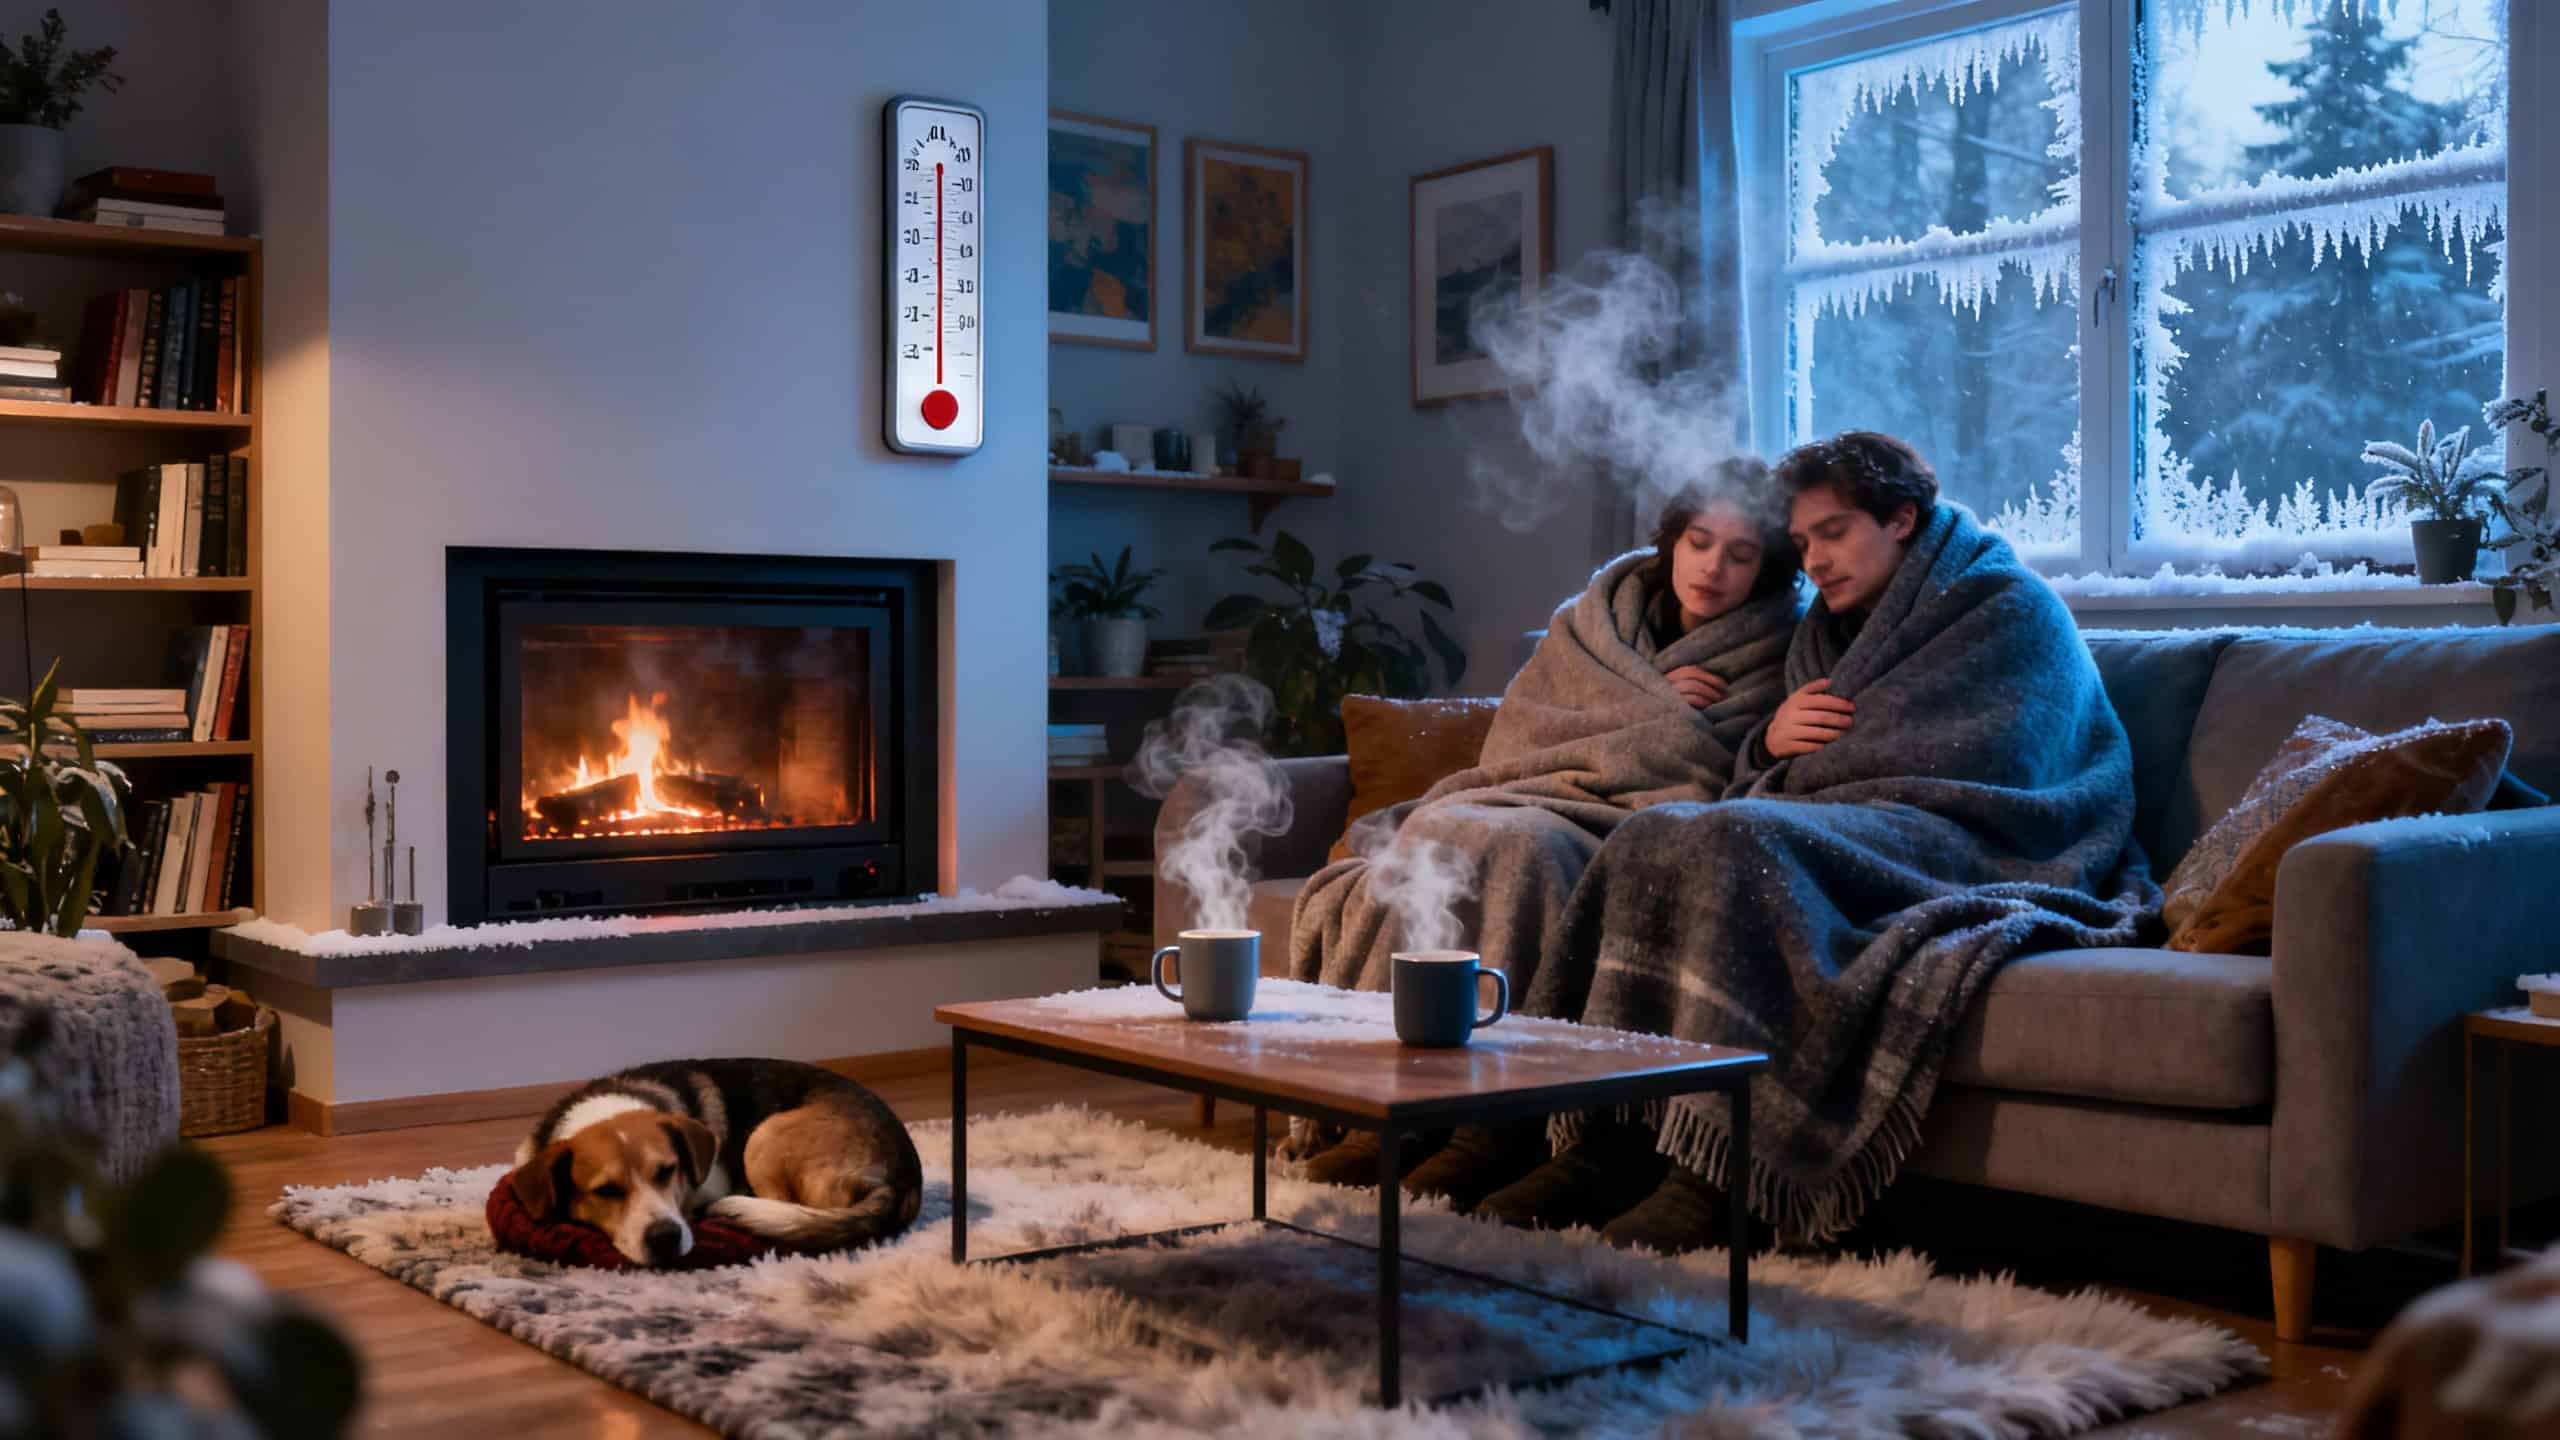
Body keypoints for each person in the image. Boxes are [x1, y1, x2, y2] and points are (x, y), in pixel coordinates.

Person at [1479, 431, 2158, 1252]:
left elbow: (2007, 763)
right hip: (1851, 820)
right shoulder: (1829, 630)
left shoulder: (2007, 605)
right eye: (1801, 545)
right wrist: (1767, 745)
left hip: (1978, 834)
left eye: (1832, 533)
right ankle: (1602, 1141)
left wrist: (1807, 771)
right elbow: (1787, 763)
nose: (1815, 561)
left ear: (1902, 517)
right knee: (1656, 833)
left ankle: (1716, 1175)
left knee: (1738, 842)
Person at [1290, 466, 1804, 1202]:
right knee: (1438, 828)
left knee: (1525, 849)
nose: (1713, 568)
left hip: (1627, 823)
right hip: (1526, 789)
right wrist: (1655, 704)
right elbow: (1520, 735)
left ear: (1769, 566)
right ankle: (1385, 1103)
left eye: (1741, 554)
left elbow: (1728, 775)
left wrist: (1660, 719)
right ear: (1671, 540)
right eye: (1700, 542)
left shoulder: (1781, 648)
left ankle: (1487, 1125)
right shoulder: (1594, 618)